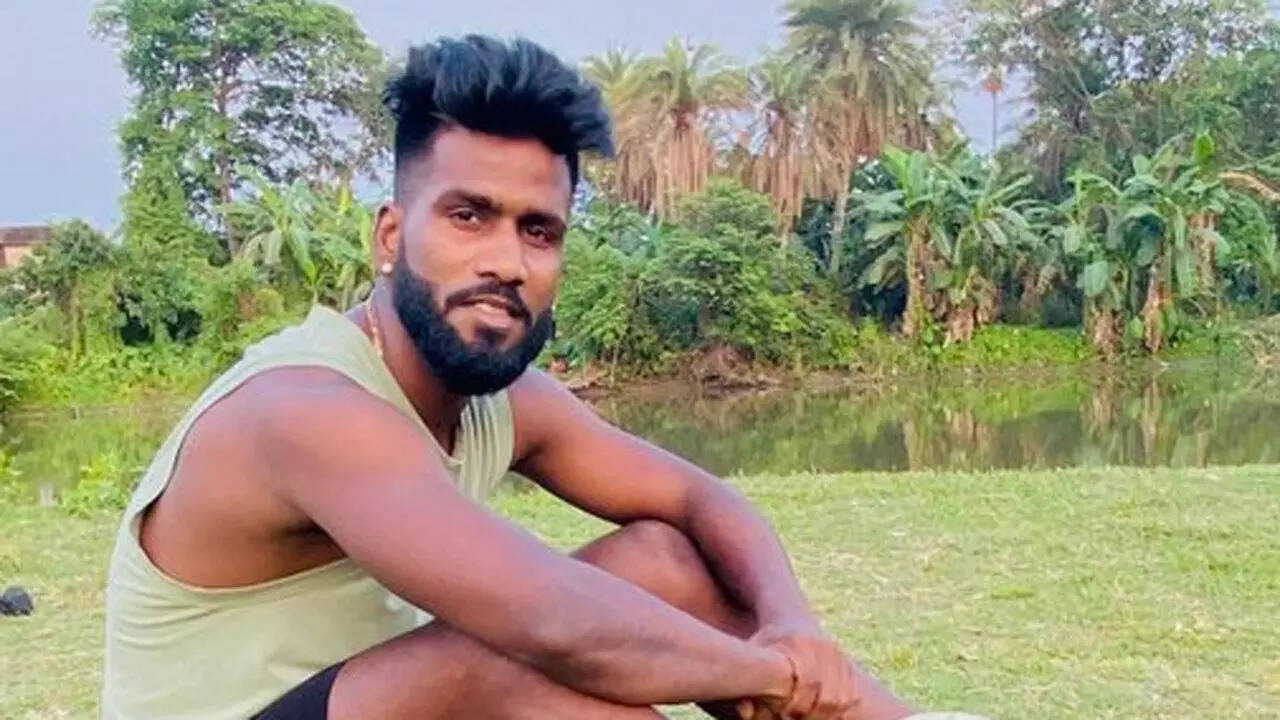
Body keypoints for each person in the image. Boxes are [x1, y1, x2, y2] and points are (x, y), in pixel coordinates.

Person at [102, 35, 926, 720]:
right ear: (390, 237)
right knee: (496, 665)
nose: (506, 260)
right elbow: (554, 622)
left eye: (539, 231)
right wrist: (774, 673)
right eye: (468, 216)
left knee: (664, 562)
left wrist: (793, 627)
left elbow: (696, 498)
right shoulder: (307, 409)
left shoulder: (504, 401)